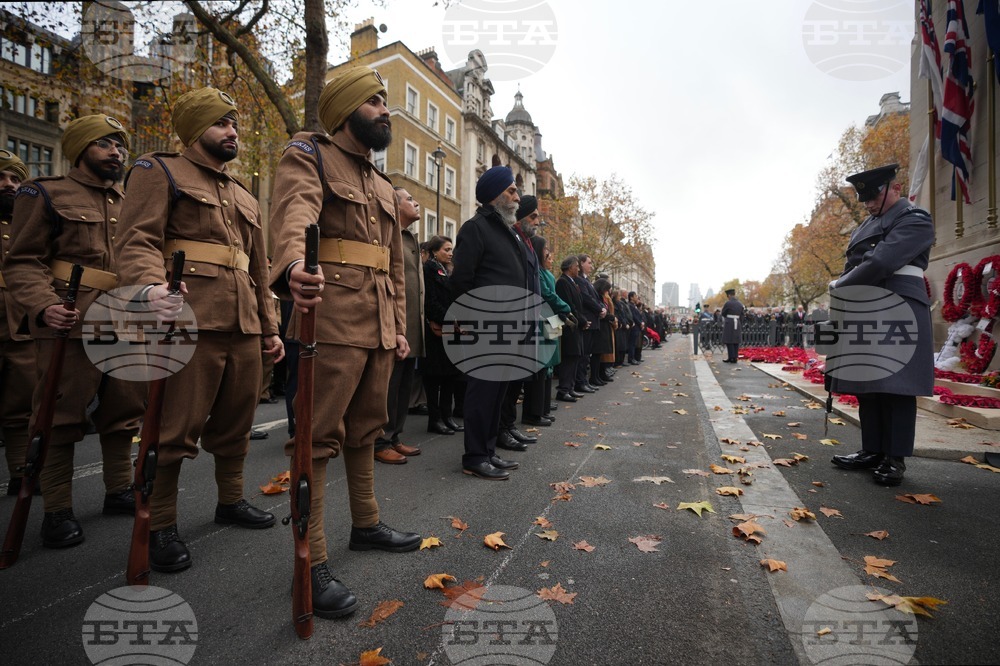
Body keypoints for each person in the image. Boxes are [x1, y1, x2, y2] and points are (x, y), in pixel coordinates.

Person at [268, 67, 421, 618]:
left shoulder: (382, 184)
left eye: (385, 101)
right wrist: (290, 266)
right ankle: (311, 563)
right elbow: (294, 215)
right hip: (329, 317)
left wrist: (400, 326)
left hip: (378, 321)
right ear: (349, 110)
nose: (386, 110)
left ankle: (366, 522)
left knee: (366, 429)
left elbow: (394, 265)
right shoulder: (310, 154)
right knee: (316, 437)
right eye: (375, 101)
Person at [116, 89, 283, 570]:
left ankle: (230, 500)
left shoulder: (244, 194)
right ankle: (161, 522)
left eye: (235, 123)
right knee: (175, 426)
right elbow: (137, 240)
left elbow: (257, 266)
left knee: (237, 421)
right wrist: (150, 288)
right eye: (222, 123)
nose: (233, 131)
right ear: (196, 129)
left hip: (243, 324)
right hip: (187, 320)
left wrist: (269, 327)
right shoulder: (158, 171)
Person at [3, 115, 144, 547]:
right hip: (71, 318)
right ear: (81, 149)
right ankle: (57, 510)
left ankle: (118, 490)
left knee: (124, 411)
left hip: (123, 318)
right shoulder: (46, 193)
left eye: (119, 145)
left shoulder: (131, 200)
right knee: (60, 415)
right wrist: (45, 306)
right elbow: (23, 261)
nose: (116, 153)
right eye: (104, 144)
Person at [829, 164, 934, 486]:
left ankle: (895, 457)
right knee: (869, 383)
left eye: (874, 195)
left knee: (896, 385)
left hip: (899, 303)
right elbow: (860, 260)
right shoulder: (868, 224)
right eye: (864, 198)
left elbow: (883, 261)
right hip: (867, 302)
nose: (869, 203)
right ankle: (872, 449)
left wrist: (841, 284)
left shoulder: (915, 219)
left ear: (896, 188)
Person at [450, 165, 530, 479]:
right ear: (495, 196)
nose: (517, 196)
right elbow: (462, 280)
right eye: (511, 190)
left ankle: (488, 450)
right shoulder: (475, 228)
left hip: (508, 327)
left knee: (497, 394)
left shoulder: (507, 231)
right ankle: (474, 456)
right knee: (482, 394)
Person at [373, 188, 424, 464]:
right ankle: (379, 439)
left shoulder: (410, 238)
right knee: (389, 386)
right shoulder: (387, 233)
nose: (415, 203)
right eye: (409, 200)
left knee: (404, 385)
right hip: (393, 323)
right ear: (394, 204)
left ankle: (394, 436)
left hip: (410, 325)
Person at [0, 151, 34, 496]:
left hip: (20, 324)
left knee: (20, 406)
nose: (8, 185)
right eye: (1, 178)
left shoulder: (29, 224)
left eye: (14, 179)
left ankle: (20, 472)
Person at [498, 195, 542, 447]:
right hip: (516, 320)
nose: (537, 221)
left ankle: (508, 425)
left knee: (517, 381)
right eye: (533, 216)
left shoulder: (527, 242)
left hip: (528, 320)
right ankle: (501, 428)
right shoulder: (513, 239)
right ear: (521, 216)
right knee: (507, 382)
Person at [524, 235, 571, 424]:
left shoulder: (546, 273)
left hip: (552, 320)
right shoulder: (538, 273)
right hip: (543, 320)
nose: (548, 254)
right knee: (541, 366)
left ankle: (543, 409)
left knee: (550, 366)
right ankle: (534, 412)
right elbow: (547, 294)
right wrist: (565, 307)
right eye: (545, 250)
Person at [422, 235, 462, 436]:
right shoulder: (429, 269)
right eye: (446, 249)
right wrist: (451, 318)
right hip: (436, 330)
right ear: (434, 251)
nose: (450, 253)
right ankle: (435, 419)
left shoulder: (447, 271)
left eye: (451, 249)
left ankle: (447, 417)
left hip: (450, 329)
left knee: (449, 377)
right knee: (435, 378)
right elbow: (430, 302)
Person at [555, 256, 585, 402]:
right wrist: (580, 320)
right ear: (569, 267)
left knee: (575, 357)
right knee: (569, 357)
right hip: (569, 326)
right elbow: (569, 305)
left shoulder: (572, 282)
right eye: (576, 266)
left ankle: (570, 388)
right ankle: (563, 389)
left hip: (576, 325)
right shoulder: (562, 282)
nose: (578, 269)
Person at [720, 288, 744, 363]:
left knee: (729, 340)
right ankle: (735, 357)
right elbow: (742, 315)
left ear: (729, 295)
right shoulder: (740, 303)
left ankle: (731, 357)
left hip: (729, 322)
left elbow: (723, 313)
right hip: (737, 322)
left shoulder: (728, 303)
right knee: (736, 341)